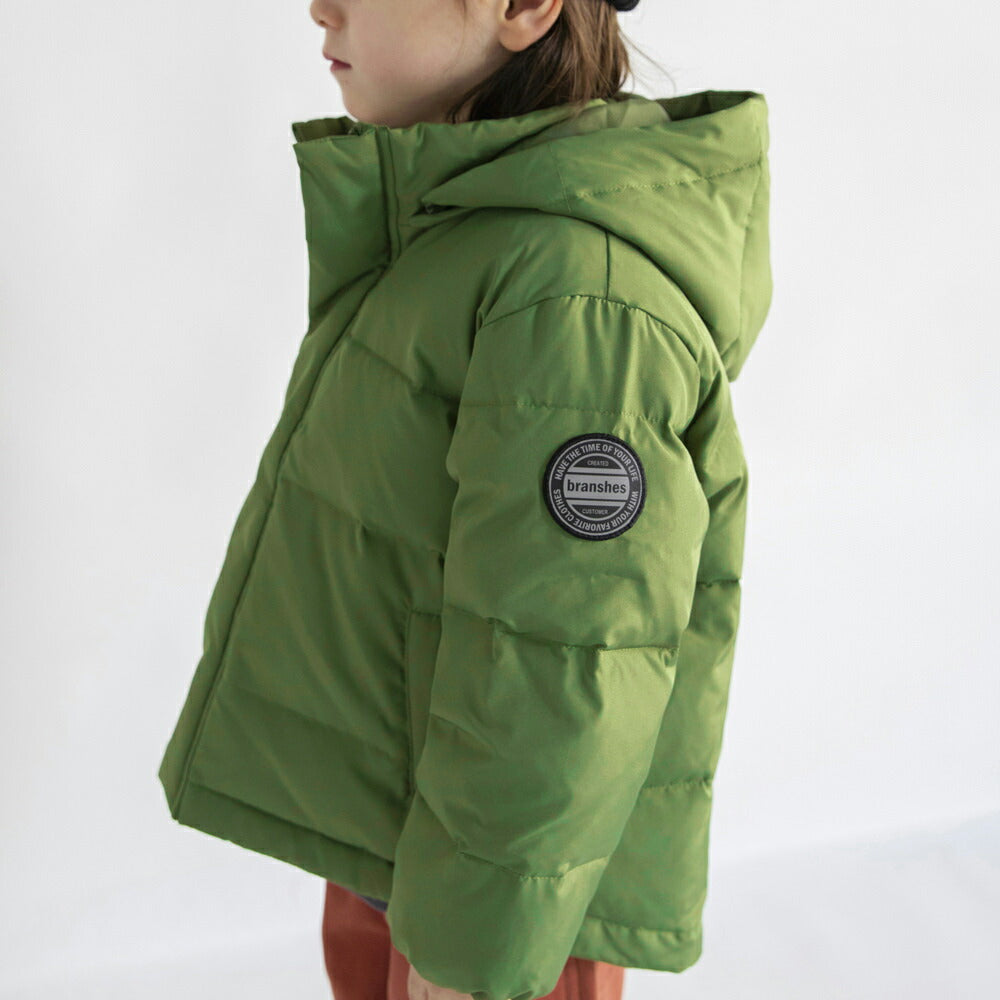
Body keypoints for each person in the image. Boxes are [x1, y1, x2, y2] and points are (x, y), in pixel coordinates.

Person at [156, 1, 772, 999]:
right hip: (416, 846)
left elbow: (565, 664)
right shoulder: (471, 233)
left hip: (502, 908)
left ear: (522, 6)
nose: (321, 6)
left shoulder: (577, 295)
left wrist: (472, 962)